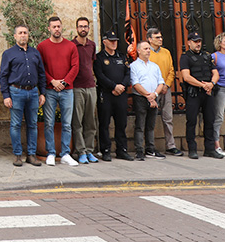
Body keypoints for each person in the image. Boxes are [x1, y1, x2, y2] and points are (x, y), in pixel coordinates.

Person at [0, 25, 46, 167]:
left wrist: (42, 93)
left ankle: (31, 155)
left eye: (25, 33)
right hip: (16, 92)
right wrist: (6, 95)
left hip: (32, 92)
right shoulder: (9, 53)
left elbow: (42, 74)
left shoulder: (35, 53)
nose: (23, 35)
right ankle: (18, 155)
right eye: (20, 33)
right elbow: (3, 76)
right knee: (15, 124)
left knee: (32, 124)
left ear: (28, 35)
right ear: (15, 36)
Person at [37, 16, 79, 166]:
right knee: (49, 122)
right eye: (54, 27)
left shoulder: (71, 46)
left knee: (67, 123)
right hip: (50, 90)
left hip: (67, 90)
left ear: (62, 27)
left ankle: (66, 153)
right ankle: (51, 153)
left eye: (59, 26)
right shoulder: (42, 46)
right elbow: (41, 68)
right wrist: (52, 81)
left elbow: (75, 66)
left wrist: (65, 81)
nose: (57, 29)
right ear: (49, 29)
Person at [180, 31, 220, 159]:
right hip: (194, 93)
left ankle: (209, 149)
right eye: (195, 41)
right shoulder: (185, 57)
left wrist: (211, 84)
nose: (198, 44)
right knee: (191, 121)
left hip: (208, 92)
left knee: (210, 120)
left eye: (199, 41)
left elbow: (216, 73)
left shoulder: (207, 56)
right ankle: (192, 149)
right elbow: (186, 77)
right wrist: (203, 85)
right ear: (189, 42)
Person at [93, 31, 132, 162]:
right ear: (104, 41)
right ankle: (105, 150)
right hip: (107, 94)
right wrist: (114, 86)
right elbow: (100, 76)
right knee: (104, 123)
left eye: (115, 40)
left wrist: (121, 86)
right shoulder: (99, 58)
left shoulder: (121, 57)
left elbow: (128, 74)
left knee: (121, 123)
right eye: (111, 40)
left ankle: (122, 150)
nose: (114, 43)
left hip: (120, 94)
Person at [146, 28, 183, 156]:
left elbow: (171, 70)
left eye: (161, 37)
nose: (160, 39)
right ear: (150, 39)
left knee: (168, 118)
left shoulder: (166, 52)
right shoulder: (146, 52)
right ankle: (149, 146)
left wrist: (166, 84)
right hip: (151, 90)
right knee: (150, 119)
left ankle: (170, 145)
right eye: (157, 37)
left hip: (165, 89)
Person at [129, 41, 166, 161]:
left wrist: (154, 94)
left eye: (149, 49)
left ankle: (150, 148)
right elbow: (135, 83)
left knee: (151, 125)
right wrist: (148, 96)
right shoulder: (134, 66)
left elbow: (161, 82)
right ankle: (139, 150)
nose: (148, 51)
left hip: (154, 97)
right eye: (145, 49)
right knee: (140, 125)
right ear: (138, 50)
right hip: (140, 98)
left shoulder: (154, 66)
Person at [71, 17, 97, 164]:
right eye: (81, 26)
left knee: (90, 121)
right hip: (76, 87)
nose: (83, 29)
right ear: (76, 29)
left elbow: (91, 64)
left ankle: (89, 150)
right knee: (77, 121)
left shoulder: (92, 45)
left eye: (86, 27)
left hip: (90, 86)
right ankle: (80, 151)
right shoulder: (71, 45)